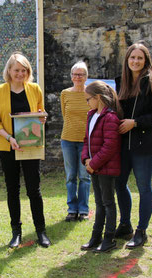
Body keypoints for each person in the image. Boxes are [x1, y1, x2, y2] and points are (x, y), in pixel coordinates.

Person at [0, 52, 51, 248]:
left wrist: (42, 117)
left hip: (31, 146)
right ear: (9, 70)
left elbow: (40, 114)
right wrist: (9, 138)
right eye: (17, 70)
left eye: (24, 70)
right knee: (12, 190)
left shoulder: (34, 89)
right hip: (8, 146)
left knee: (34, 189)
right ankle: (16, 232)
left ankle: (41, 231)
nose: (20, 73)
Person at [115, 42, 152, 249]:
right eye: (132, 58)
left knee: (144, 187)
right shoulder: (121, 82)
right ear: (127, 60)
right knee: (119, 183)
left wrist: (135, 123)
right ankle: (125, 224)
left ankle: (141, 231)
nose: (135, 61)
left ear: (145, 61)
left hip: (144, 143)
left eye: (139, 58)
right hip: (122, 144)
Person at [80, 81, 122, 252]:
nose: (87, 103)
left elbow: (110, 146)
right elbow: (86, 141)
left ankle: (109, 238)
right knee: (99, 203)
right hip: (94, 168)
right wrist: (86, 160)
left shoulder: (111, 118)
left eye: (88, 99)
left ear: (98, 98)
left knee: (108, 202)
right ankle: (96, 237)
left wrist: (94, 163)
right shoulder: (91, 115)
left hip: (105, 168)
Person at [60, 61, 91, 222]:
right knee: (71, 176)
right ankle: (72, 209)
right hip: (68, 140)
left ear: (86, 77)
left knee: (85, 176)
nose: (78, 77)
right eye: (75, 74)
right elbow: (65, 115)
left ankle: (84, 209)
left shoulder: (91, 93)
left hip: (87, 141)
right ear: (71, 76)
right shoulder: (65, 93)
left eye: (81, 74)